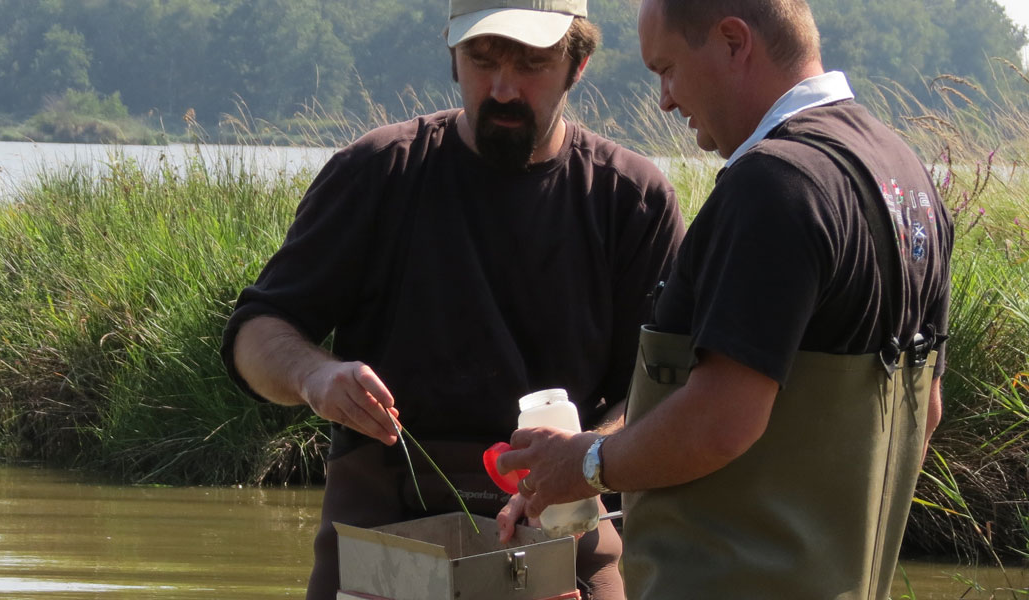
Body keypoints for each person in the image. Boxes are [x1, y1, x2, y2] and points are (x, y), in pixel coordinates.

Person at [218, 0, 685, 597]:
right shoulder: (378, 173)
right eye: (482, 59)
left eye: (533, 64)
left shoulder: (632, 200)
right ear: (451, 54)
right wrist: (315, 376)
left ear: (579, 64)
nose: (503, 88)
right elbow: (255, 332)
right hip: (383, 545)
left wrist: (583, 459)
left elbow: (660, 395)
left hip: (563, 535)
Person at [496, 0, 953, 598]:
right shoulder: (905, 175)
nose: (664, 98)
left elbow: (722, 421)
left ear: (734, 41)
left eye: (668, 69)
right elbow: (927, 412)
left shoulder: (774, 185)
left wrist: (587, 464)